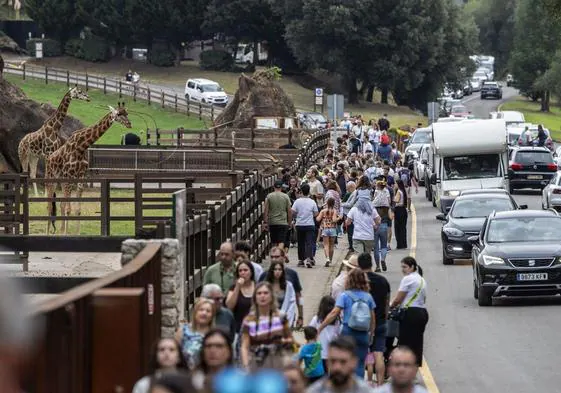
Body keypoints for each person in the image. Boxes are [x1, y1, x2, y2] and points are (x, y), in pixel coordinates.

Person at [317, 269, 376, 378]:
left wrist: (321, 327)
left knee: (345, 361)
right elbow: (373, 318)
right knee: (360, 364)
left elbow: (334, 313)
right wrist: (371, 334)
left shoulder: (345, 296)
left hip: (348, 332)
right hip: (363, 334)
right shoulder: (368, 297)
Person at [240, 282, 294, 371]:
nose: (262, 296)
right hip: (256, 364)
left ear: (271, 296)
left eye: (265, 293)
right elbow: (245, 346)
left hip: (277, 363)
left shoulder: (281, 317)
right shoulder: (249, 320)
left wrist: (282, 342)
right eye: (259, 293)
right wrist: (246, 366)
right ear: (255, 297)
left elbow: (290, 340)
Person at [358, 253, 391, 386]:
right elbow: (387, 300)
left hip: (362, 323)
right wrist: (385, 315)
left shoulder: (359, 281)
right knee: (379, 354)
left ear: (359, 265)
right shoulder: (383, 281)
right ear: (371, 263)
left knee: (364, 353)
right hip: (381, 321)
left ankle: (364, 382)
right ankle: (380, 384)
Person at [390, 257, 428, 367]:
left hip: (411, 313)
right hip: (422, 313)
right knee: (416, 343)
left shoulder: (408, 279)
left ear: (412, 267)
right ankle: (414, 367)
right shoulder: (421, 280)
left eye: (405, 267)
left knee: (405, 343)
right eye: (402, 267)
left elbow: (398, 299)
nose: (403, 270)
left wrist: (390, 307)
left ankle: (405, 367)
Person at [306, 336, 373, 393]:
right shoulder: (314, 390)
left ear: (354, 362)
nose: (337, 367)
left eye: (343, 362)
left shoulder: (366, 390)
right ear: (327, 362)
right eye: (333, 361)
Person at [261, 247, 305, 328]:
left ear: (283, 257)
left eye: (277, 257)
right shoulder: (264, 275)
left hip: (287, 317)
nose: (274, 259)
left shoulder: (292, 274)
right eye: (272, 257)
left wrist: (301, 316)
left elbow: (298, 296)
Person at [175, 298, 215, 370]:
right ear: (195, 312)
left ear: (212, 315)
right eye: (201, 310)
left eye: (208, 311)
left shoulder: (215, 334)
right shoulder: (182, 331)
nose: (204, 313)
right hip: (185, 374)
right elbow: (175, 354)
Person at [346, 177, 381, 255]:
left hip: (357, 236)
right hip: (369, 236)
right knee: (367, 256)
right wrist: (375, 226)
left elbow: (348, 222)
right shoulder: (372, 209)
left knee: (360, 257)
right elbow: (378, 220)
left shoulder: (354, 209)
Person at [309, 296, 341, 372]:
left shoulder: (316, 319)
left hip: (318, 353)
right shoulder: (337, 322)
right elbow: (339, 335)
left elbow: (310, 331)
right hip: (331, 353)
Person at [225, 259, 256, 334]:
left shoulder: (258, 286)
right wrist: (237, 287)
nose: (243, 273)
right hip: (238, 328)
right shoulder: (233, 288)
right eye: (240, 271)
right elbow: (229, 306)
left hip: (255, 326)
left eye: (245, 270)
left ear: (251, 272)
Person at [292, 184, 319, 268]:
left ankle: (301, 260)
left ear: (301, 191)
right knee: (309, 242)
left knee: (300, 242)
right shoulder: (312, 201)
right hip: (309, 224)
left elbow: (292, 212)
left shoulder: (297, 201)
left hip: (299, 224)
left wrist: (297, 215)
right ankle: (309, 259)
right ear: (309, 191)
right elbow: (316, 213)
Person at [265, 260, 297, 327]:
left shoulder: (288, 286)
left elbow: (292, 304)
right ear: (271, 271)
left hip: (284, 320)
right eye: (275, 269)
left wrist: (286, 318)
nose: (277, 272)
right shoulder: (265, 286)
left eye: (279, 269)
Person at [264, 180, 293, 251]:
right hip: (283, 222)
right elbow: (289, 211)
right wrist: (289, 223)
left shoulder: (269, 196)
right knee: (281, 241)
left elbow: (265, 210)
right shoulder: (286, 196)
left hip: (272, 222)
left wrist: (265, 222)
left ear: (274, 187)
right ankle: (279, 256)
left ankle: (275, 255)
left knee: (274, 242)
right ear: (282, 187)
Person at [373, 178, 391, 271]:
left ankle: (377, 266)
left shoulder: (374, 205)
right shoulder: (386, 205)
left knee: (376, 248)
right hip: (384, 224)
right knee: (384, 246)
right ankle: (383, 259)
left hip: (375, 226)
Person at [316, 197, 340, 267]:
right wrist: (339, 218)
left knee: (326, 245)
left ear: (327, 203)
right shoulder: (334, 211)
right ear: (333, 204)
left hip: (325, 229)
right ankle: (331, 260)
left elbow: (317, 219)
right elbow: (334, 220)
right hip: (332, 229)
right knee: (331, 245)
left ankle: (327, 258)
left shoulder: (323, 211)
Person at [341, 181, 357, 252]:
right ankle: (351, 246)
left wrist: (342, 204)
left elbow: (350, 204)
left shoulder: (354, 193)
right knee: (349, 230)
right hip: (348, 214)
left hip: (350, 214)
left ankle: (352, 246)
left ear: (351, 187)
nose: (347, 190)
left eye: (348, 188)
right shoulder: (353, 193)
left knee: (350, 230)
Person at [393, 179, 408, 249]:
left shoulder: (398, 192)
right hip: (403, 210)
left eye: (395, 184)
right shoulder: (403, 191)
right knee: (403, 228)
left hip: (399, 210)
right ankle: (404, 243)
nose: (394, 185)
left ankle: (400, 244)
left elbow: (396, 200)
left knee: (398, 228)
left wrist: (393, 197)